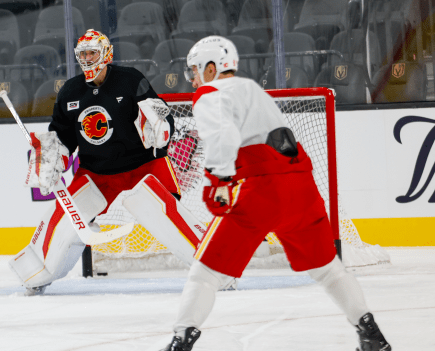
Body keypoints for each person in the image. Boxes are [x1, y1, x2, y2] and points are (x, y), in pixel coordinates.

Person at [161, 36, 391, 351]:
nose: (193, 80)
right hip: (301, 187)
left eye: (194, 71)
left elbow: (224, 137)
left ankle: (181, 340)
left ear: (210, 67)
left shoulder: (209, 92)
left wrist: (219, 182)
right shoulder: (254, 90)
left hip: (260, 189)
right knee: (328, 270)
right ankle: (371, 334)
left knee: (204, 273)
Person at [9, 29, 209, 295]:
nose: (88, 58)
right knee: (69, 217)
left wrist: (160, 126)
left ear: (106, 54)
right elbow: (62, 137)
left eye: (93, 52)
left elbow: (161, 116)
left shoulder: (130, 80)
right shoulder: (70, 91)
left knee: (162, 212)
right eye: (83, 54)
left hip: (144, 165)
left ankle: (212, 265)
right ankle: (37, 269)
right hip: (98, 172)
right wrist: (51, 156)